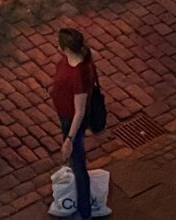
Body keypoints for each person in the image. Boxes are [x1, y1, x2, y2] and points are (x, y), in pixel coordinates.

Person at [51, 28, 99, 220]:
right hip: (66, 114)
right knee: (76, 160)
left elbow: (79, 112)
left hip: (71, 120)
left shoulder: (78, 75)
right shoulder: (80, 58)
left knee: (78, 163)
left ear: (66, 49)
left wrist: (69, 140)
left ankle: (84, 210)